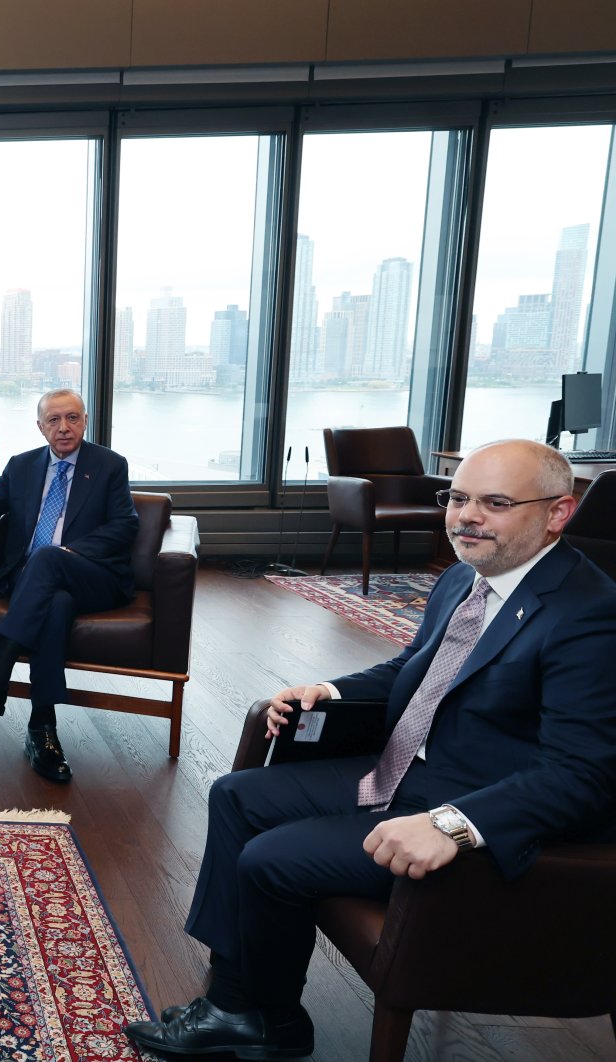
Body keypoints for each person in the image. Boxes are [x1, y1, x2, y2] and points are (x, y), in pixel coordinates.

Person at [128, 439, 616, 1059]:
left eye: (495, 503)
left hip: (470, 810)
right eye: (459, 498)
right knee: (234, 797)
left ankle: (271, 1023)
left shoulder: (588, 615)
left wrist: (454, 825)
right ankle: (234, 1000)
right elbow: (416, 666)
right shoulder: (468, 577)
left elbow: (581, 775)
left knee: (270, 859)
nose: (467, 517)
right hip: (408, 773)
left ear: (558, 513)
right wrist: (327, 690)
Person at [0, 388, 138, 781]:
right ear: (40, 427)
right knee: (54, 604)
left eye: (72, 418)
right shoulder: (22, 466)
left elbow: (126, 525)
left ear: (86, 421)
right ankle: (42, 729)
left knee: (49, 556)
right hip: (38, 584)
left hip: (95, 577)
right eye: (54, 420)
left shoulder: (109, 465)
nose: (64, 428)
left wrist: (69, 552)